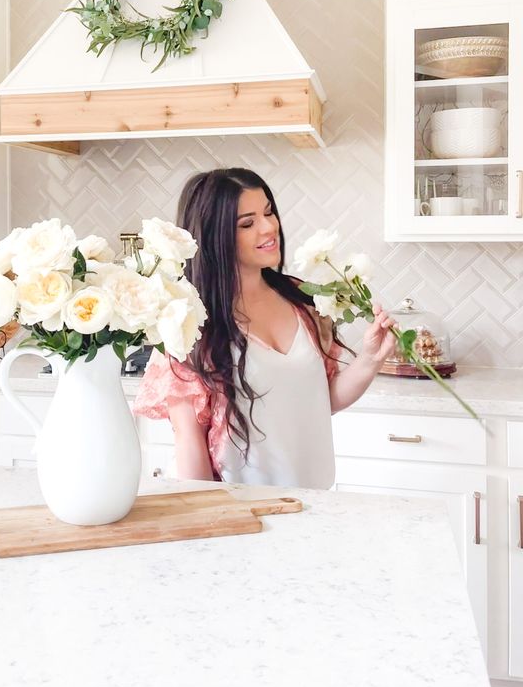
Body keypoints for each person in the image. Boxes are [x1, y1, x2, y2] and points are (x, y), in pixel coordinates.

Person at [134, 168, 398, 487]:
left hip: (314, 499)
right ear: (214, 236)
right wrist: (209, 518)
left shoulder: (303, 299)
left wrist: (370, 359)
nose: (269, 227)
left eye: (269, 212)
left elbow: (319, 400)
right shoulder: (188, 323)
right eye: (247, 223)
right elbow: (189, 441)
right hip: (239, 513)